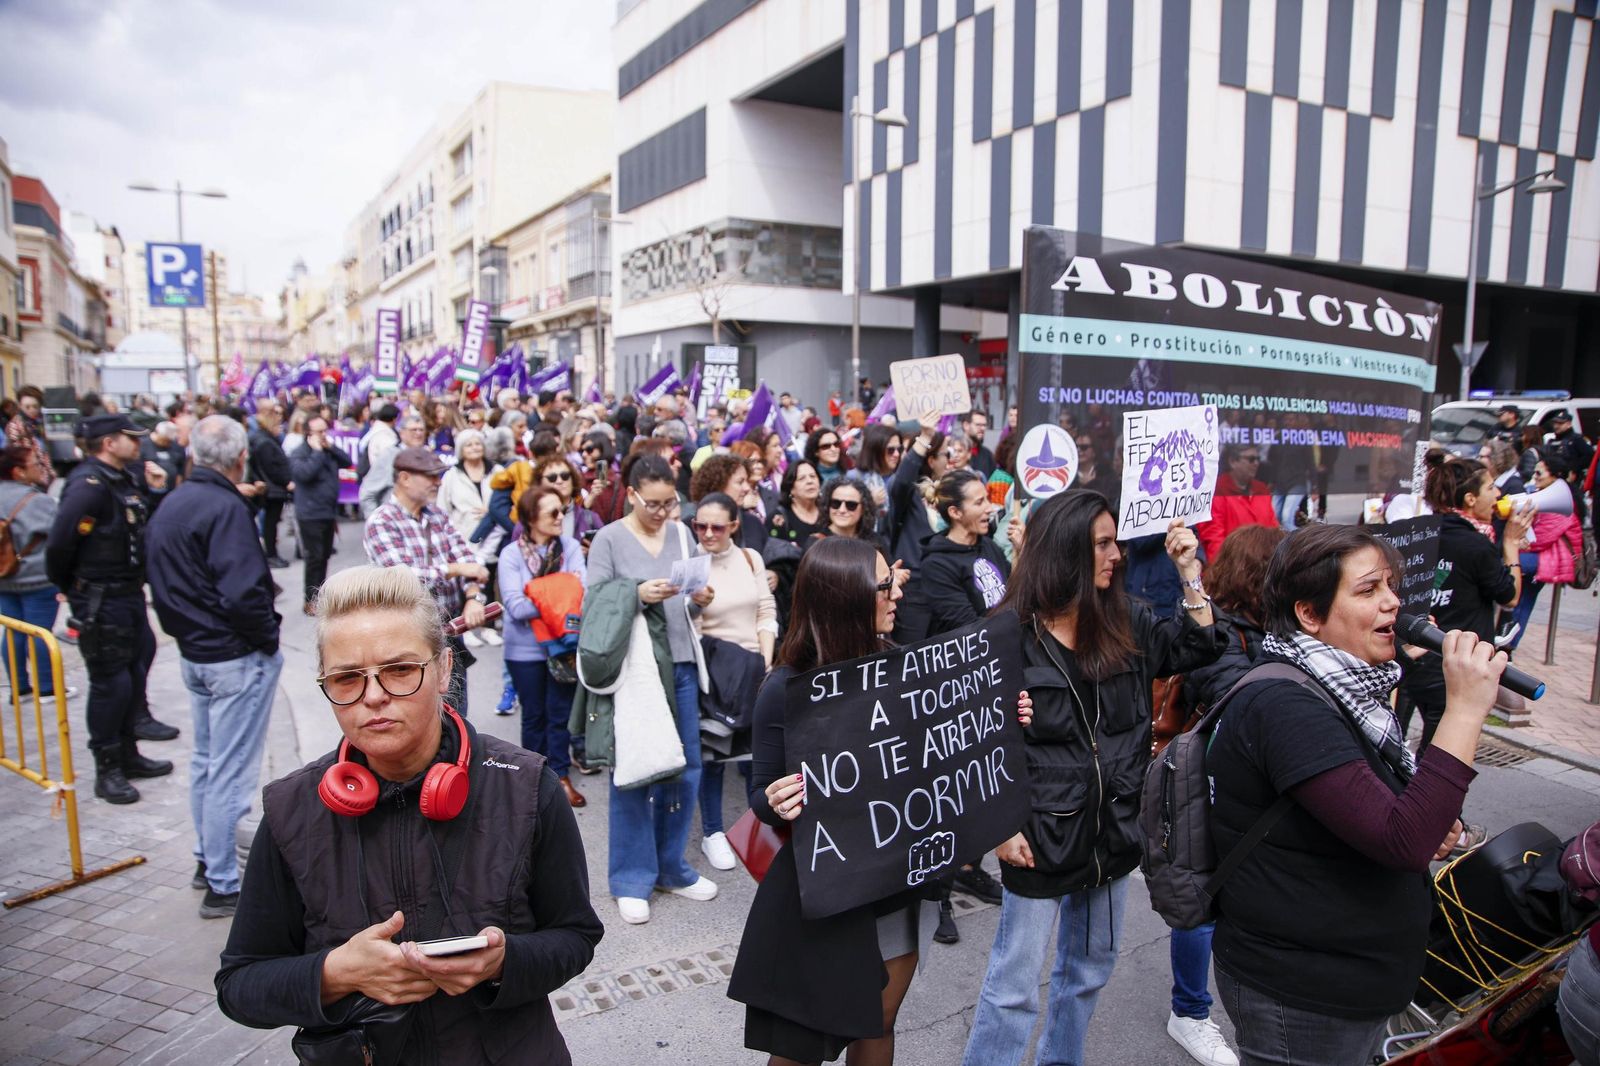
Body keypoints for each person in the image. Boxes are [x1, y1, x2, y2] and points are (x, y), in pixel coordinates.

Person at [214, 565, 603, 1064]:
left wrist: (505, 961)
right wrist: (335, 974)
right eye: (347, 677)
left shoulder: (527, 786)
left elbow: (575, 936)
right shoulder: (292, 809)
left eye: (399, 669)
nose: (373, 696)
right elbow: (239, 984)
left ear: (444, 669)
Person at [1207, 524, 1509, 1066]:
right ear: (1309, 613)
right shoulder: (1285, 706)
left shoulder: (1353, 689)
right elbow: (1404, 840)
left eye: (1391, 586)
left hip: (1354, 979)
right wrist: (1464, 709)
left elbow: (1394, 810)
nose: (1393, 601)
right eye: (1368, 590)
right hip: (1303, 994)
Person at [730, 536, 1029, 1064]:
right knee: (803, 1042)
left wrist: (997, 719)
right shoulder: (786, 686)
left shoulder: (902, 668)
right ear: (846, 597)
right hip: (825, 896)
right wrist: (777, 801)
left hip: (895, 886)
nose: (897, 594)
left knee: (879, 1023)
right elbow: (760, 794)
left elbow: (939, 760)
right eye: (885, 585)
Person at [963, 492, 1223, 1066]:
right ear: (1066, 552)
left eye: (1114, 542)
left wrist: (1189, 572)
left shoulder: (1126, 619)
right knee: (1013, 988)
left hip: (1114, 830)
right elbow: (975, 745)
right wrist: (1000, 828)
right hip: (1039, 834)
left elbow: (1198, 645)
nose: (1116, 555)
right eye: (1102, 544)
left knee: (1087, 972)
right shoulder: (1007, 634)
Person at [146, 416, 284, 919]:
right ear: (239, 458)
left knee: (209, 764)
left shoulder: (177, 501)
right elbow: (243, 591)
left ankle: (210, 862)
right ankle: (222, 879)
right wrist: (266, 640)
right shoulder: (221, 508)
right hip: (228, 655)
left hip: (200, 651)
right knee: (227, 772)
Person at [1156, 524, 1285, 1066]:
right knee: (1200, 900)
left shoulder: (1266, 627)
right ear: (1261, 576)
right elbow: (1244, 700)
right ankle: (1189, 1011)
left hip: (1251, 789)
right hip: (1206, 786)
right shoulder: (1220, 633)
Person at [586, 454, 719, 923]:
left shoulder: (682, 534)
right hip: (637, 670)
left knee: (685, 770)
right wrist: (637, 595)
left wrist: (700, 599)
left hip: (680, 661)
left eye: (671, 502)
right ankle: (630, 876)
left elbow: (691, 607)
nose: (663, 512)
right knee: (635, 770)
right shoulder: (608, 537)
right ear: (632, 493)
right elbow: (594, 603)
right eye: (654, 504)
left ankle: (671, 866)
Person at [44, 414, 179, 805]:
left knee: (135, 671)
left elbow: (138, 527)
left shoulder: (123, 478)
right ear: (107, 443)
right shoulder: (87, 486)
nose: (138, 444)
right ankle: (108, 769)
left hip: (128, 594)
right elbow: (59, 547)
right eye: (129, 438)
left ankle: (129, 754)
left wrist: (153, 492)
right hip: (102, 599)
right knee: (111, 684)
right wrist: (73, 589)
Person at [1400, 454, 1528, 751]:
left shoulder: (1423, 531)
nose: (1499, 494)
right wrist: (1510, 544)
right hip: (1454, 669)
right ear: (1470, 498)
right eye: (1492, 487)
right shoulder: (1476, 544)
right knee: (1441, 758)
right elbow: (1509, 597)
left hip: (1417, 660)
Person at [364, 447, 492, 717]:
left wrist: (472, 598)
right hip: (406, 640)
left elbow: (472, 563)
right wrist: (456, 568)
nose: (438, 483)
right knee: (419, 720)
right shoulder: (382, 520)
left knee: (456, 718)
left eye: (439, 476)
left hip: (448, 638)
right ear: (405, 478)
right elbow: (404, 576)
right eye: (431, 477)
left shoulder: (436, 515)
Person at [689, 491, 776, 871]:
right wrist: (695, 604)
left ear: (734, 527)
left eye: (716, 526)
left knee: (755, 752)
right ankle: (713, 832)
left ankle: (757, 829)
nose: (707, 533)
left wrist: (766, 657)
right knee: (714, 754)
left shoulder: (748, 557)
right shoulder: (691, 561)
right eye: (700, 525)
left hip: (753, 665)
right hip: (713, 669)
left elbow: (765, 609)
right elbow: (686, 626)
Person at [498, 485, 588, 807]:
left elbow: (582, 596)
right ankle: (532, 778)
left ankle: (560, 775)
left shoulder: (571, 547)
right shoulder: (511, 554)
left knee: (559, 714)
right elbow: (515, 607)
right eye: (552, 512)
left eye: (562, 510)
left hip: (563, 646)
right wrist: (561, 592)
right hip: (524, 650)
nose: (561, 517)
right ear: (531, 518)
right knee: (533, 715)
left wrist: (536, 591)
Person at [0, 444, 72, 702]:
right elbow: (60, 535)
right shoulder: (36, 501)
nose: (41, 468)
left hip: (4, 576)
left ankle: (19, 688)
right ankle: (47, 687)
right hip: (36, 578)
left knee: (13, 631)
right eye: (35, 464)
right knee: (41, 632)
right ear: (18, 471)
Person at [1504, 454, 1581, 650]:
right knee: (1524, 599)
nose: (1535, 476)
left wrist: (1516, 544)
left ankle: (1508, 644)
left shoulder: (1559, 502)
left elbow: (1542, 537)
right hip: (1542, 557)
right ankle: (1508, 644)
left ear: (1555, 476)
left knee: (1519, 593)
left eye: (1539, 472)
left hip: (1548, 558)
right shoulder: (1546, 496)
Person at [437, 428, 505, 649]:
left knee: (489, 580)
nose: (475, 448)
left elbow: (506, 499)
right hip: (463, 536)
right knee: (463, 583)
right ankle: (466, 629)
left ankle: (488, 625)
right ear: (461, 450)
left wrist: (492, 509)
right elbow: (442, 507)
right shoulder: (452, 475)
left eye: (478, 443)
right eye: (469, 444)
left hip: (493, 535)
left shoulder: (496, 471)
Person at [289, 415, 352, 615]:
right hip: (310, 513)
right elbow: (304, 475)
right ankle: (310, 600)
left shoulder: (328, 449)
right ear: (309, 433)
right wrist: (316, 452)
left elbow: (346, 460)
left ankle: (319, 595)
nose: (324, 435)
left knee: (324, 556)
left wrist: (329, 447)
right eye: (319, 431)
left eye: (326, 430)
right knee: (314, 558)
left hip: (327, 511)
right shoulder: (300, 453)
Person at [886, 414, 948, 575]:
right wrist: (926, 436)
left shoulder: (948, 490)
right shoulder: (909, 491)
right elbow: (903, 480)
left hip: (944, 573)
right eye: (946, 454)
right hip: (914, 575)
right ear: (931, 460)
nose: (950, 460)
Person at [1197, 444, 1278, 561]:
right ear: (1232, 462)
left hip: (1264, 568)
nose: (1256, 463)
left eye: (1258, 459)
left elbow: (1273, 529)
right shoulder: (1217, 490)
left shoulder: (1262, 489)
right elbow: (1213, 540)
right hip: (1233, 569)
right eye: (1251, 459)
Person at [247, 401, 294, 569]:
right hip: (273, 488)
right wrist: (285, 481)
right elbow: (272, 467)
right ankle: (271, 554)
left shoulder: (263, 438)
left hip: (271, 486)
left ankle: (271, 553)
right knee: (270, 523)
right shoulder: (264, 441)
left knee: (270, 522)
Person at [690, 453, 768, 552]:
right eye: (740, 482)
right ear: (718, 484)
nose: (747, 488)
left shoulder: (752, 523)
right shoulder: (690, 527)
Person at [7, 385, 54, 490]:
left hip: (42, 478)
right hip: (28, 480)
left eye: (35, 406)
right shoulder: (15, 426)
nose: (32, 410)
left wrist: (50, 473)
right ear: (20, 406)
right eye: (27, 407)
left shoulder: (37, 424)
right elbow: (17, 455)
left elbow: (44, 452)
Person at [358, 403, 401, 516]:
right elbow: (390, 459)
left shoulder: (376, 431)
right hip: (383, 480)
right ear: (394, 419)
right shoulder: (384, 436)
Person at [139, 421, 185, 510]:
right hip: (149, 492)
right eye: (165, 440)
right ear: (157, 433)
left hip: (171, 491)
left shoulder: (176, 447)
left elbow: (180, 468)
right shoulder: (143, 445)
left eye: (170, 441)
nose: (168, 443)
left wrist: (178, 490)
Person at [961, 410, 996, 476]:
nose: (982, 428)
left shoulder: (988, 455)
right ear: (966, 425)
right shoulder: (954, 452)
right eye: (978, 425)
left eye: (984, 425)